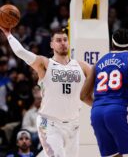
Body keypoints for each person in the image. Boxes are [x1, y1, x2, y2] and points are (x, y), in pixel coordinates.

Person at [0, 26, 91, 157]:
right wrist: (8, 34)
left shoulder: (81, 66)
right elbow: (21, 52)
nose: (63, 43)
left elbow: (100, 79)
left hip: (73, 125)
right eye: (58, 40)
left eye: (65, 40)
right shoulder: (45, 64)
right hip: (49, 124)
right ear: (51, 44)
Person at [80, 28, 128, 157]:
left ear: (112, 44)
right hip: (120, 111)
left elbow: (83, 96)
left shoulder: (98, 63)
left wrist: (103, 105)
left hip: (97, 114)